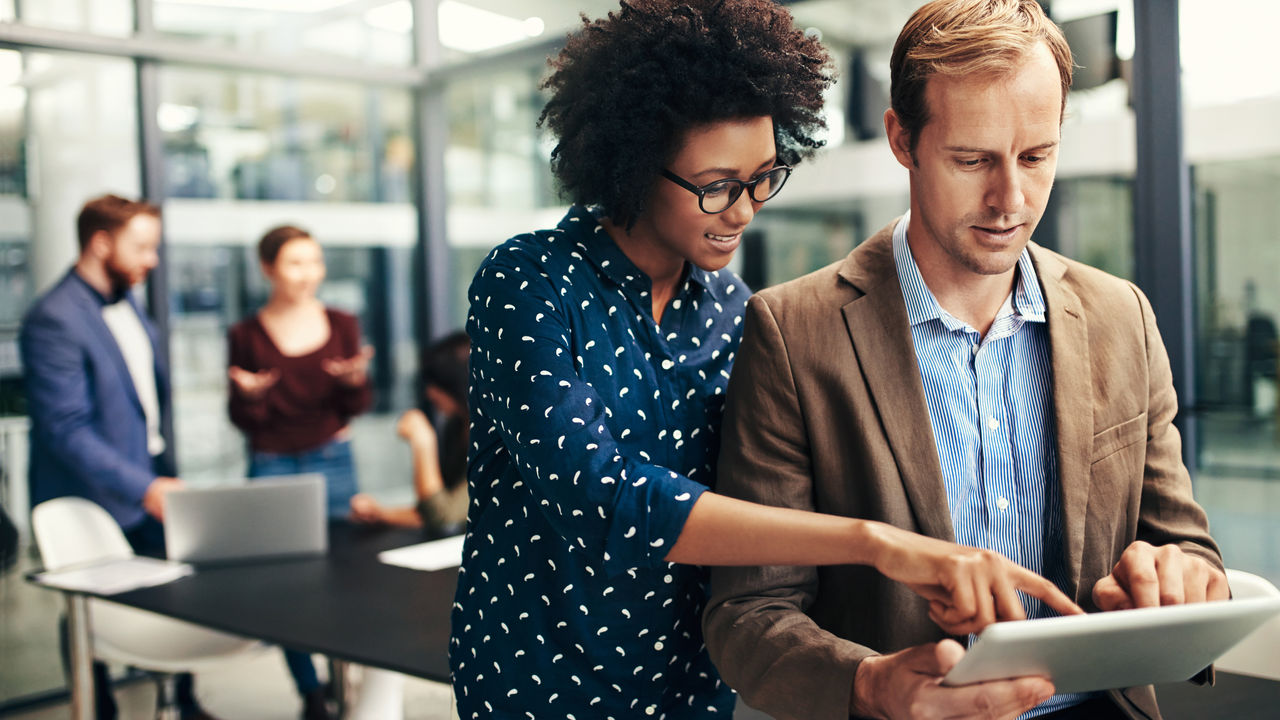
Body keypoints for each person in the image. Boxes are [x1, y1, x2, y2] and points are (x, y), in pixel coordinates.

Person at [452, 1, 1083, 718]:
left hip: (692, 687)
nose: (745, 210)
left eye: (762, 178)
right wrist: (877, 544)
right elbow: (603, 497)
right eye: (717, 185)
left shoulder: (730, 306)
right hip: (541, 681)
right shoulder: (529, 282)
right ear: (632, 161)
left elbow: (762, 503)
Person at [702, 2, 1228, 719]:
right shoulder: (793, 334)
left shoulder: (1121, 317)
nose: (1010, 199)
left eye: (1037, 156)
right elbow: (749, 613)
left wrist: (1183, 580)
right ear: (901, 138)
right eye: (972, 159)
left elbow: (1189, 549)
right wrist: (873, 685)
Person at [20, 194, 215, 720]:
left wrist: (158, 477)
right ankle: (95, 705)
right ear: (100, 243)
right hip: (93, 490)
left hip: (149, 474)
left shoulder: (127, 300)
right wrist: (144, 486)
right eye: (142, 247)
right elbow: (65, 429)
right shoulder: (53, 318)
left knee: (175, 587)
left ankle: (181, 700)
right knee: (91, 611)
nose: (152, 260)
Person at [226, 224, 373, 720]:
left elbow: (358, 405)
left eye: (314, 261)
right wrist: (252, 398)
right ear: (267, 269)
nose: (308, 274)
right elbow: (245, 421)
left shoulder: (342, 321)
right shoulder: (245, 335)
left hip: (333, 459)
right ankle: (310, 691)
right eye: (294, 263)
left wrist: (354, 382)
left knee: (343, 575)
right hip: (271, 463)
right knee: (284, 583)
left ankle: (344, 677)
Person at [349, 331, 470, 537]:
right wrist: (381, 514)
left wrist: (423, 442)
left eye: (436, 384)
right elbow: (433, 506)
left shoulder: (495, 439)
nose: (430, 393)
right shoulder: (456, 427)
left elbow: (443, 517)